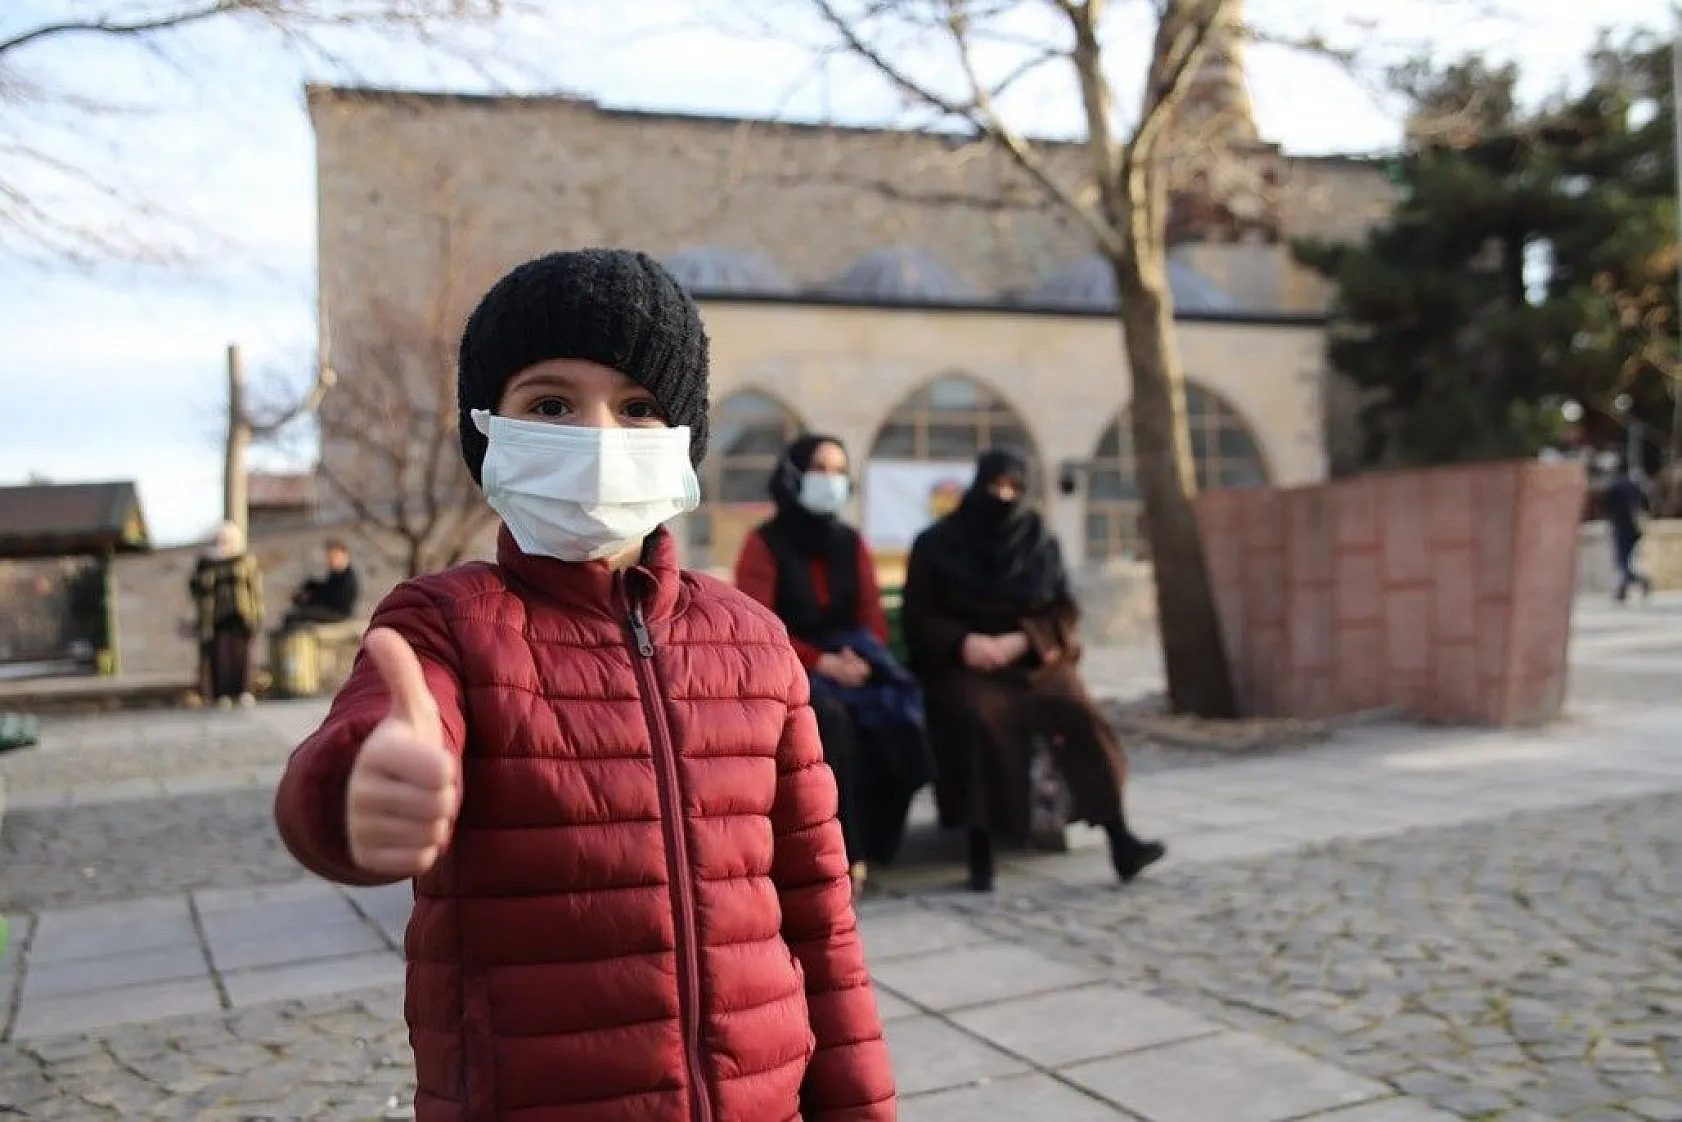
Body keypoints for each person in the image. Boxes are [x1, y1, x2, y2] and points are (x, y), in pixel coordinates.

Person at [273, 249, 895, 1122]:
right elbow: (376, 734)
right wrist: (356, 785)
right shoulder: (443, 624)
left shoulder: (752, 641)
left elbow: (820, 920)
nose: (600, 437)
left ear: (686, 437)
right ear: (491, 427)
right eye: (552, 405)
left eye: (639, 406)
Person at [902, 448, 1165, 893]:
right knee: (977, 717)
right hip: (966, 665)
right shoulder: (937, 544)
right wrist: (966, 643)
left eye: (1014, 487)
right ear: (978, 485)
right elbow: (919, 616)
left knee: (1075, 709)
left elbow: (1063, 608)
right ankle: (980, 851)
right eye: (995, 486)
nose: (1004, 495)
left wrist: (1023, 639)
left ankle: (1120, 837)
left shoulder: (1039, 540)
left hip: (1031, 658)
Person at [735, 434, 929, 897]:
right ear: (794, 474)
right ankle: (846, 855)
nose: (831, 479)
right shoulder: (765, 544)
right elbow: (759, 624)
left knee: (903, 716)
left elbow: (870, 615)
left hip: (852, 660)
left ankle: (881, 843)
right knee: (831, 722)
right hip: (790, 668)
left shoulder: (849, 542)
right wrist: (819, 661)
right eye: (820, 468)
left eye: (839, 470)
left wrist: (858, 660)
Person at [190, 521, 264, 709]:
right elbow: (196, 589)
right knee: (220, 657)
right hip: (215, 617)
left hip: (240, 614)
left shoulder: (244, 559)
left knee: (242, 656)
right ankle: (221, 694)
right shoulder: (205, 563)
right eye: (221, 539)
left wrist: (257, 614)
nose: (224, 543)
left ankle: (244, 691)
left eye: (228, 539)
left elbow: (254, 589)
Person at [280, 539, 360, 632]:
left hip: (339, 614)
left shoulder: (348, 578)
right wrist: (309, 587)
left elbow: (333, 599)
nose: (332, 560)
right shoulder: (336, 573)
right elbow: (325, 588)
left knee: (294, 617)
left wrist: (309, 599)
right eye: (330, 557)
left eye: (335, 556)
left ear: (346, 555)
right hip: (330, 609)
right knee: (295, 612)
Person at [1603, 461, 1653, 603]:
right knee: (1627, 560)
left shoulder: (1614, 487)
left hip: (1621, 527)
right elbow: (1645, 505)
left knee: (1622, 561)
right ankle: (1622, 590)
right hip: (1635, 528)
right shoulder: (1634, 486)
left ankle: (1640, 581)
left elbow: (1608, 508)